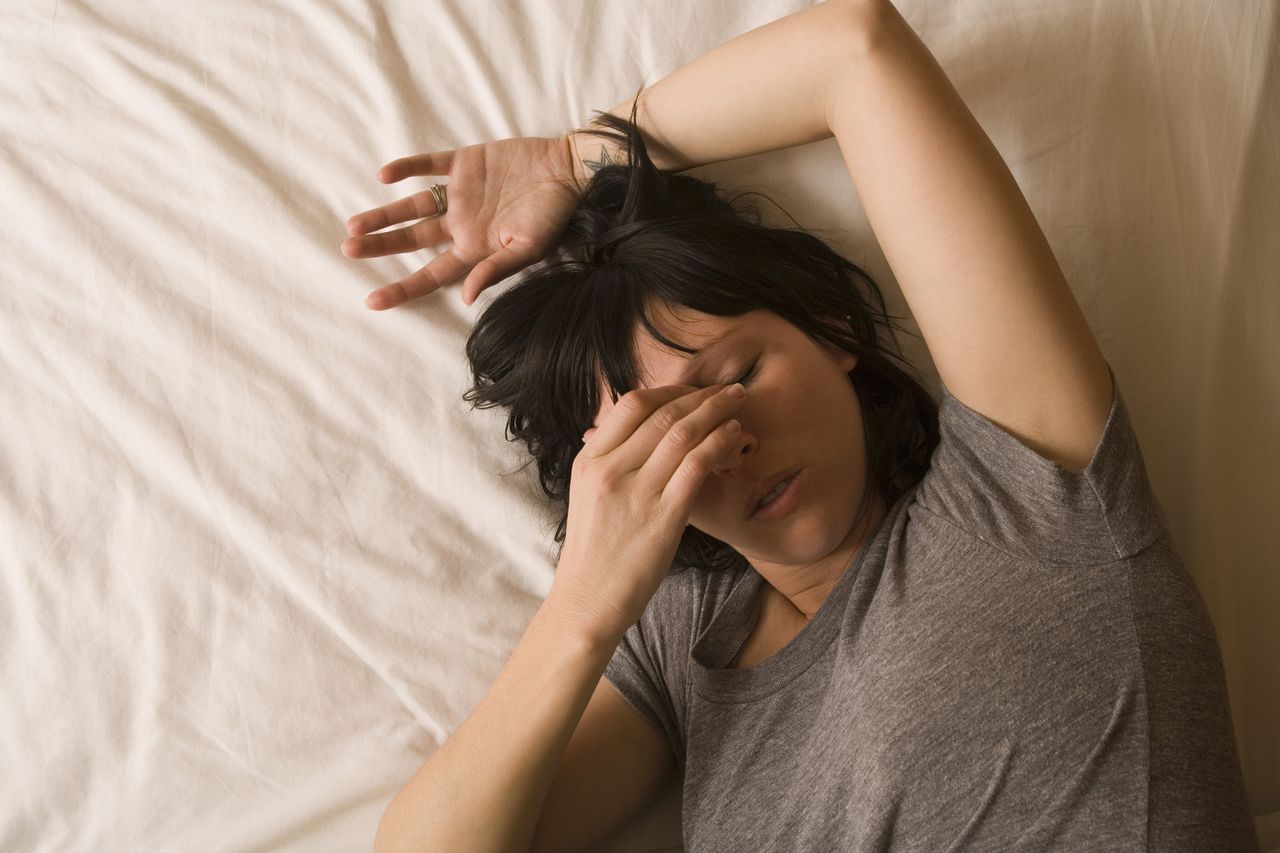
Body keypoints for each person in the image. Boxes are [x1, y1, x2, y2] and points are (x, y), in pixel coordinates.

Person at [344, 1, 1259, 850]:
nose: (728, 441)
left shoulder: (1030, 484)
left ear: (834, 331)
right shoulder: (682, 646)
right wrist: (583, 606)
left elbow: (854, 51)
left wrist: (572, 161)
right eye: (669, 434)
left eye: (739, 374)